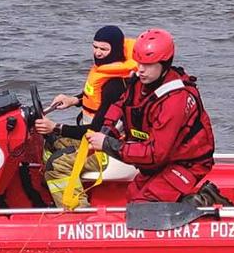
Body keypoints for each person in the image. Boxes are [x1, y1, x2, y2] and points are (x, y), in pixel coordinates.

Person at [85, 29, 219, 203]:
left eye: (147, 65)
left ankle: (203, 200)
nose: (140, 70)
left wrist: (108, 144)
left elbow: (156, 153)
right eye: (139, 63)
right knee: (133, 194)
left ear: (164, 64)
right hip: (163, 162)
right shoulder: (139, 84)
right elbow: (120, 107)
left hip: (186, 164)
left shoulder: (175, 100)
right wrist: (106, 131)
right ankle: (191, 199)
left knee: (145, 205)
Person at [34, 26, 136, 187]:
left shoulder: (115, 84)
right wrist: (73, 100)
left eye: (104, 49)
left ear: (115, 50)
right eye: (95, 47)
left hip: (109, 149)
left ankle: (77, 208)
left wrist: (55, 126)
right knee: (52, 143)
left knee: (57, 165)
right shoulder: (106, 75)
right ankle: (49, 191)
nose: (98, 52)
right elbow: (96, 99)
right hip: (94, 139)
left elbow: (95, 129)